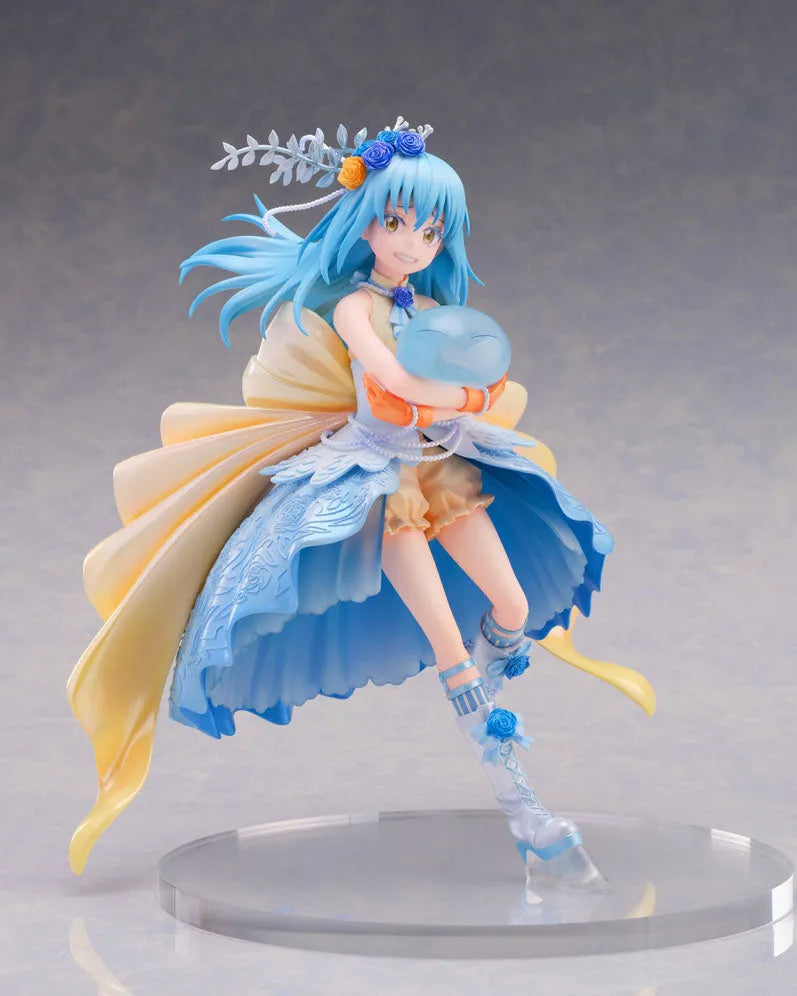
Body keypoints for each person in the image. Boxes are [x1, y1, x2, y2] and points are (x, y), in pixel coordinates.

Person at [67, 117, 655, 878]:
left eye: (431, 232)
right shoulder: (354, 308)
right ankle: (527, 814)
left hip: (442, 469)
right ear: (367, 223)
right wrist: (468, 393)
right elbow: (401, 381)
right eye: (398, 222)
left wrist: (461, 397)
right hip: (383, 487)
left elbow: (460, 386)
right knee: (450, 650)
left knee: (511, 607)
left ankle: (486, 688)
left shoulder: (425, 308)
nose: (413, 243)